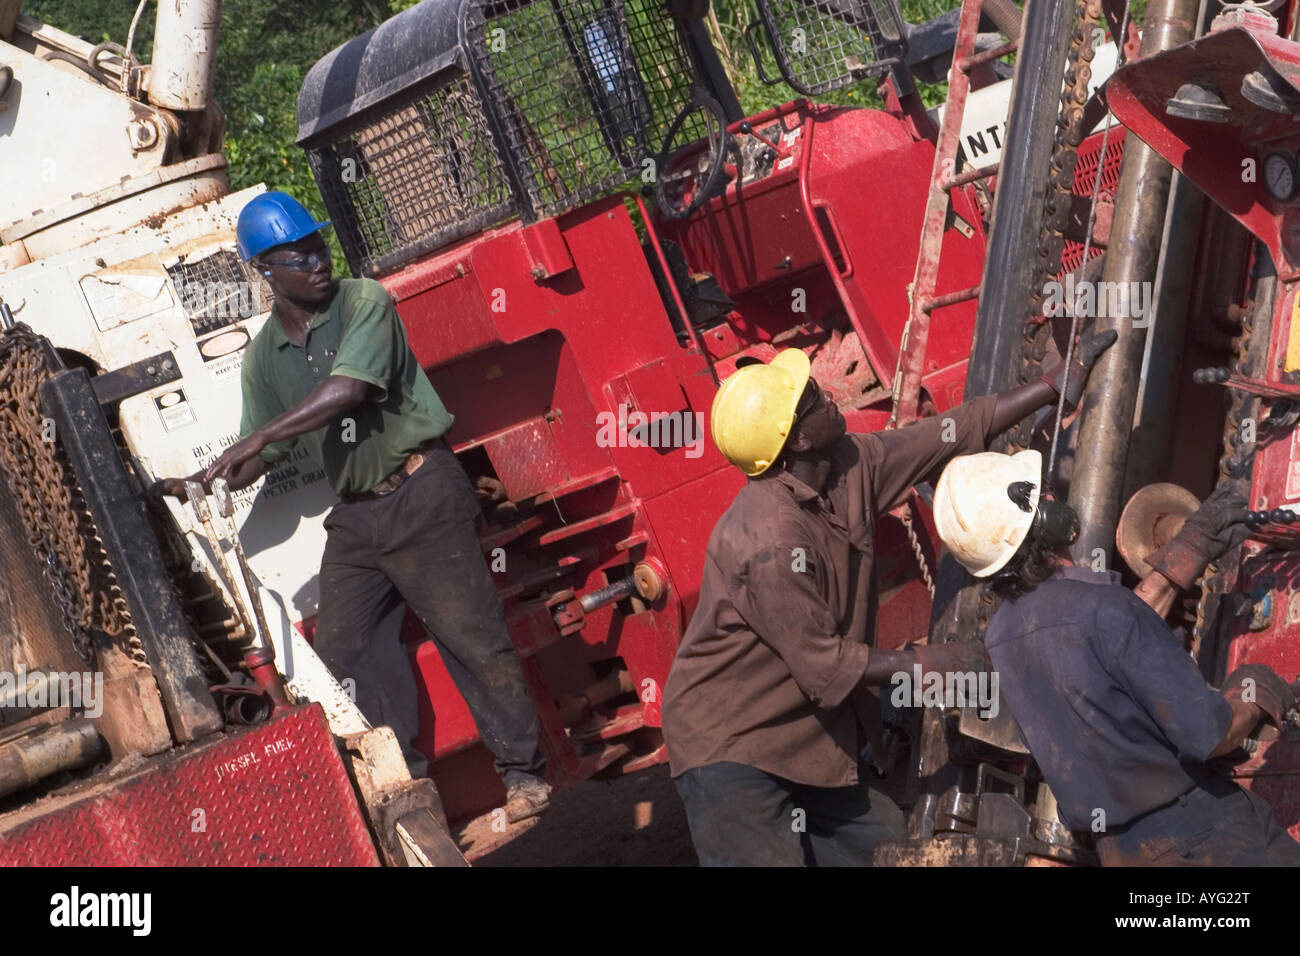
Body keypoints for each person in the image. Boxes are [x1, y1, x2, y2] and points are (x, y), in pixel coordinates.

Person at [151, 191, 551, 822]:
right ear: (265, 272)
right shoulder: (263, 357)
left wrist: (259, 437)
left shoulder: (364, 300)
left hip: (422, 490)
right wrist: (214, 474)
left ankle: (524, 777)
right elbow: (267, 453)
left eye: (317, 245)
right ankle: (412, 797)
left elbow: (350, 389)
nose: (316, 260)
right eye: (297, 254)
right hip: (360, 519)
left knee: (471, 639)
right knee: (348, 655)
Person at [662, 329, 1115, 866]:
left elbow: (946, 434)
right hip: (732, 749)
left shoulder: (848, 465)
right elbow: (826, 669)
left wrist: (1050, 385)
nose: (827, 395)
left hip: (808, 739)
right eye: (811, 399)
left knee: (896, 851)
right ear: (798, 441)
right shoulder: (767, 541)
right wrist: (928, 663)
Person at [933, 450, 1300, 865]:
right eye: (1046, 496)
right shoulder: (1105, 610)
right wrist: (1255, 694)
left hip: (1121, 854)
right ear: (1042, 522)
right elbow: (1211, 735)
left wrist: (1192, 544)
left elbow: (1095, 646)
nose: (1054, 497)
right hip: (1206, 838)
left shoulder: (1002, 635)